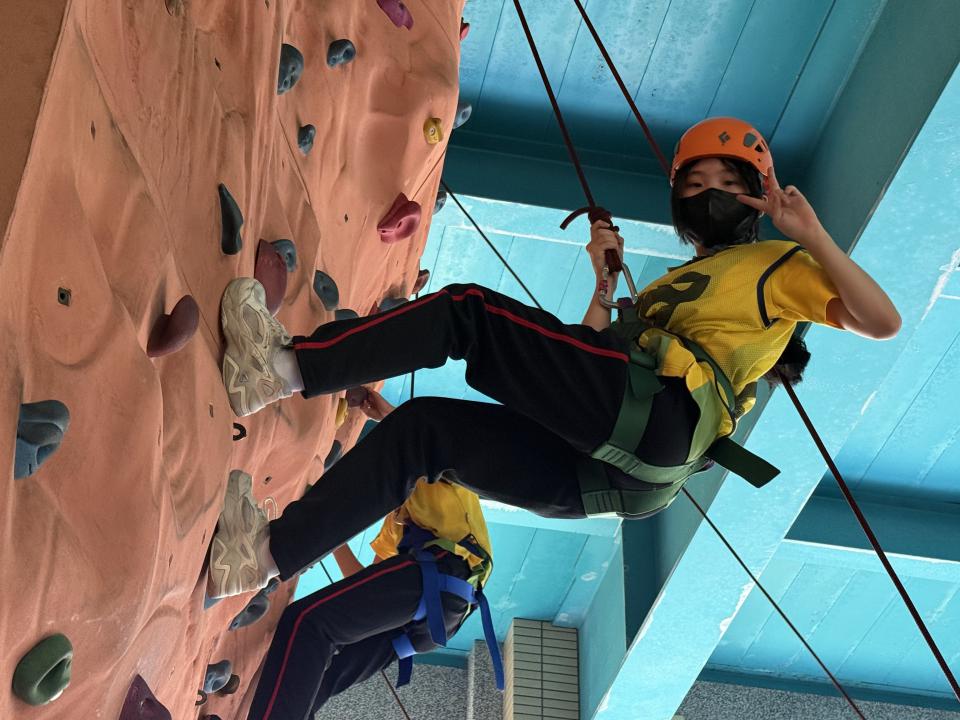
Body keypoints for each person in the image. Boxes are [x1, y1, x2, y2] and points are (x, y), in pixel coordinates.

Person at [209, 116, 901, 600]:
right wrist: (605, 283)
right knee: (424, 434)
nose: (707, 194)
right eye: (693, 186)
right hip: (630, 467)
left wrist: (811, 234)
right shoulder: (673, 288)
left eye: (725, 180)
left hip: (659, 423)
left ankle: (282, 368)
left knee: (468, 314)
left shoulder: (778, 264)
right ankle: (260, 557)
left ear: (756, 193)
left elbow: (883, 321)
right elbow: (582, 361)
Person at [231, 390, 497, 720]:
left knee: (308, 625)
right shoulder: (398, 525)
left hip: (446, 579)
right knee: (323, 677)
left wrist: (387, 414)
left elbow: (425, 444)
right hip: (429, 620)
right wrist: (327, 541)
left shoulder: (442, 485)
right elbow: (364, 586)